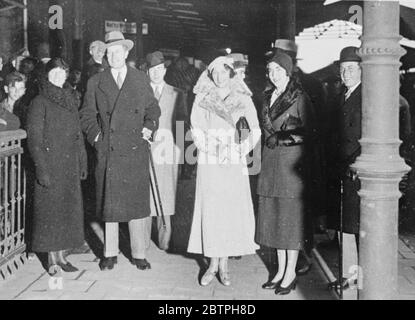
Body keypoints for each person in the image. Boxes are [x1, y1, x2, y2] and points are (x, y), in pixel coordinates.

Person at [80, 31, 161, 271]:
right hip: (109, 151)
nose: (114, 56)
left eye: (118, 51)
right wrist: (97, 138)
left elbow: (153, 111)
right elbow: (86, 115)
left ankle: (138, 253)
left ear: (126, 53)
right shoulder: (96, 81)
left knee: (136, 205)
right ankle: (110, 252)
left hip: (135, 149)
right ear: (106, 55)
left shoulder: (139, 79)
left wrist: (148, 130)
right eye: (110, 52)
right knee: (110, 204)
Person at [187, 56, 261, 286]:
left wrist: (239, 149)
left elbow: (254, 128)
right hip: (210, 159)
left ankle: (225, 265)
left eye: (223, 72)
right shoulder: (202, 97)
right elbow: (195, 127)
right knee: (211, 210)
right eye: (214, 73)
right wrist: (210, 148)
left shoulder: (242, 97)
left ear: (230, 73)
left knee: (229, 211)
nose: (219, 77)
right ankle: (212, 264)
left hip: (233, 157)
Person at [256, 51, 315, 295]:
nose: (273, 75)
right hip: (270, 166)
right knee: (275, 221)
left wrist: (283, 138)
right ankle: (279, 270)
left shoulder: (299, 97)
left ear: (288, 72)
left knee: (290, 223)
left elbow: (311, 132)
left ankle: (290, 272)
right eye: (270, 70)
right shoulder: (267, 95)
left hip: (291, 167)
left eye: (278, 70)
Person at [26, 58, 87, 275]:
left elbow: (77, 133)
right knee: (50, 214)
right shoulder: (39, 101)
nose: (58, 76)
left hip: (68, 166)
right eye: (54, 73)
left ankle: (61, 256)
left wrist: (82, 160)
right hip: (50, 166)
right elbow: (34, 139)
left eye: (62, 73)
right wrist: (41, 168)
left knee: (65, 212)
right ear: (47, 74)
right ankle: (51, 260)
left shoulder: (70, 98)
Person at [145, 51, 187, 251]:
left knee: (166, 194)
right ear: (147, 72)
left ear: (165, 70)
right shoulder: (140, 92)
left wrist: (181, 153)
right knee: (145, 193)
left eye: (159, 69)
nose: (156, 73)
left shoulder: (177, 93)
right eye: (152, 69)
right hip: (145, 150)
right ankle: (144, 237)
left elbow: (182, 123)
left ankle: (165, 236)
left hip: (168, 149)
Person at [334, 46, 362, 289]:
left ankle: (358, 276)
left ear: (362, 70)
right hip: (342, 171)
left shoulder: (365, 95)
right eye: (343, 69)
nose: (346, 74)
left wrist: (356, 162)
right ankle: (349, 274)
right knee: (346, 227)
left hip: (356, 172)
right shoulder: (342, 95)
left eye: (351, 69)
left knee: (357, 227)